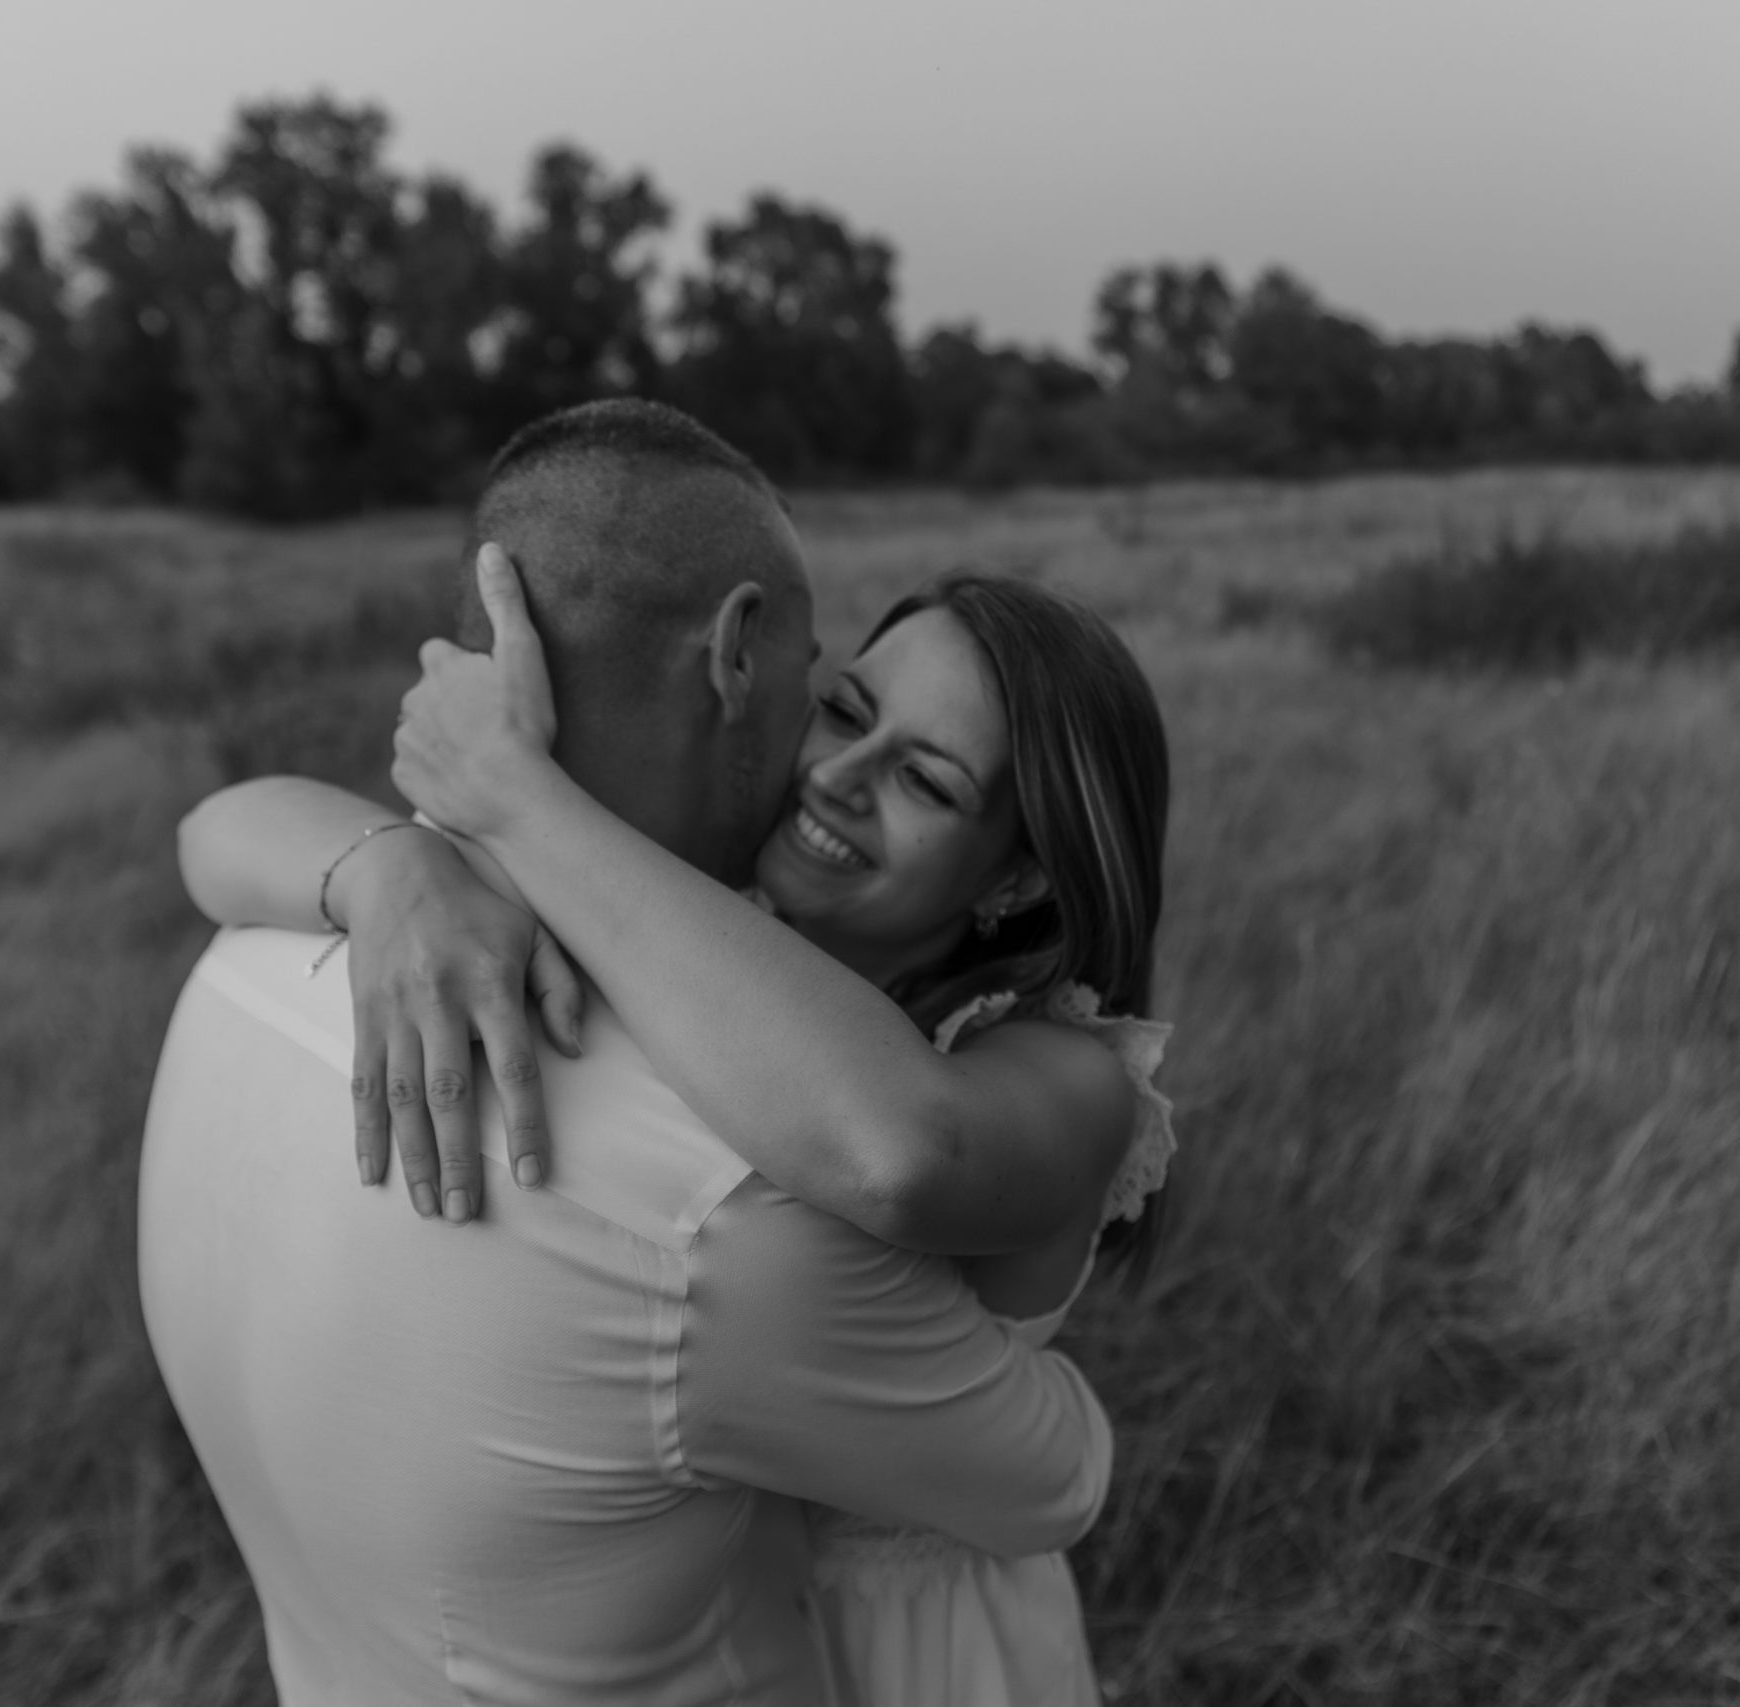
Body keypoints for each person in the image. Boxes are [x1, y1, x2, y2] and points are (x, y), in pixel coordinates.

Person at [137, 399, 1116, 1707]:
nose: (832, 771)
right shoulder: (724, 1217)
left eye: (928, 779)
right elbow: (1053, 1470)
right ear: (739, 655)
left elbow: (215, 829)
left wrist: (432, 835)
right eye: (832, 695)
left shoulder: (244, 962)